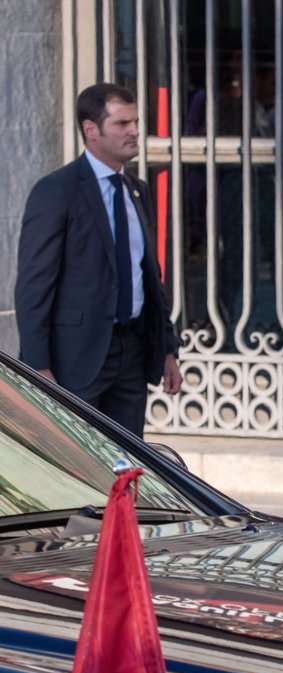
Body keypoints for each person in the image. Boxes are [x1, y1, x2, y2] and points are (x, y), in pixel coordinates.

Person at [15, 83, 181, 437]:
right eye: (122, 123)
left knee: (126, 464)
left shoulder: (137, 190)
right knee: (76, 469)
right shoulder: (57, 191)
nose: (135, 131)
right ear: (91, 130)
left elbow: (149, 276)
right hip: (75, 360)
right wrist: (37, 367)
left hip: (132, 354)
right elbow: (33, 287)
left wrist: (167, 348)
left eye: (136, 121)